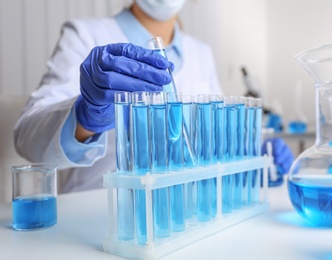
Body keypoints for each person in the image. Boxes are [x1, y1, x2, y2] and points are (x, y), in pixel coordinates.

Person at [14, 0, 293, 193]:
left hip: (188, 215)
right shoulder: (85, 34)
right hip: (99, 212)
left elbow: (210, 141)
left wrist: (247, 154)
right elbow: (26, 139)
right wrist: (86, 116)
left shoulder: (201, 53)